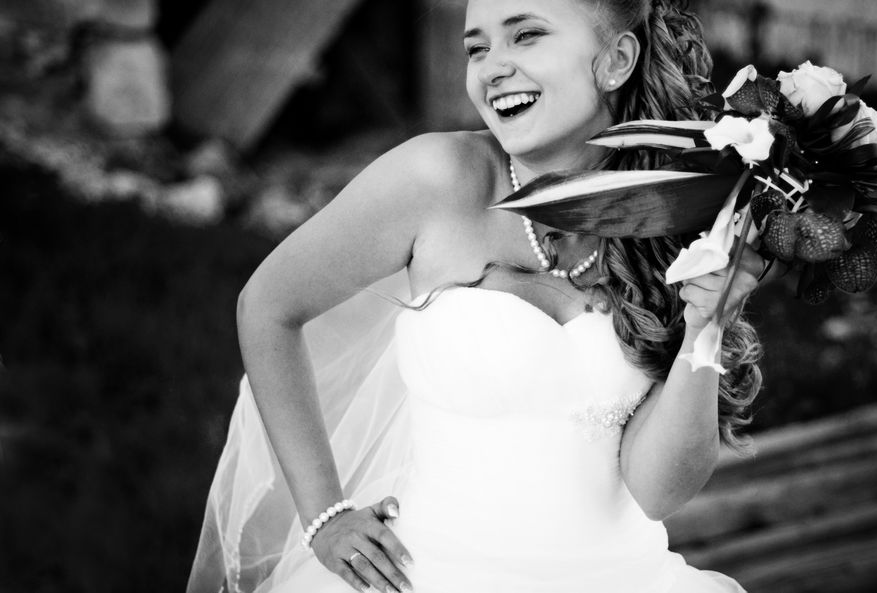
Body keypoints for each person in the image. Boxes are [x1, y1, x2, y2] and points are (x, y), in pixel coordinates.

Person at [188, 0, 765, 592]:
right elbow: (268, 308)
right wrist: (325, 518)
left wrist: (705, 327)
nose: (493, 67)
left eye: (526, 35)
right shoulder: (438, 178)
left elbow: (659, 491)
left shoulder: (677, 216)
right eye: (477, 48)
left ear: (617, 59)